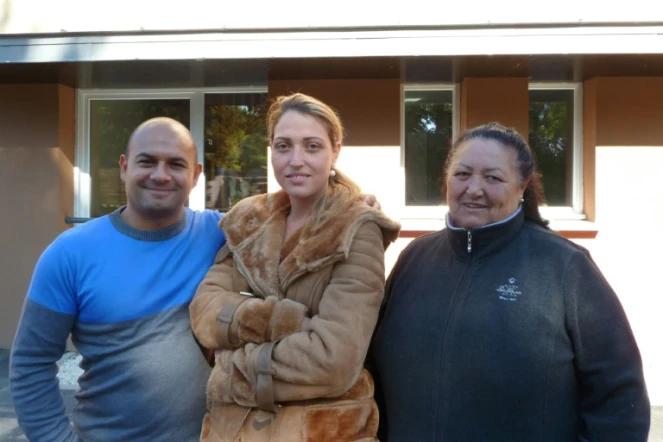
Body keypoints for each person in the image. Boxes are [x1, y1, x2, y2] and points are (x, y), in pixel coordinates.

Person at [369, 123, 650, 441]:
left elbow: (619, 398)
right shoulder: (415, 258)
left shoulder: (564, 266)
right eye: (462, 174)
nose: (474, 189)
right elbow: (370, 368)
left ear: (522, 186)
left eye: (493, 177)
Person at [189, 92, 401, 442]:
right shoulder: (246, 220)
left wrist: (229, 369)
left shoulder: (356, 228)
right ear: (270, 149)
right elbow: (204, 312)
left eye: (312, 146)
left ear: (335, 151)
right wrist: (286, 321)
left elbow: (334, 361)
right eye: (284, 146)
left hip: (321, 431)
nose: (296, 160)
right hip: (233, 431)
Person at [9, 117, 227, 441]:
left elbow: (303, 227)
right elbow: (31, 364)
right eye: (147, 161)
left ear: (195, 175)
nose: (160, 175)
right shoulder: (70, 254)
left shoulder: (223, 234)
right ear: (124, 168)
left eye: (176, 164)